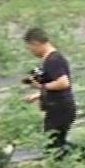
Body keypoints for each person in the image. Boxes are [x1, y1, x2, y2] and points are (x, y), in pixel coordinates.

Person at [22, 27, 74, 159]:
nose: (30, 51)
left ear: (35, 43)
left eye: (30, 47)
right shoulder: (50, 59)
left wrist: (41, 86)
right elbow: (54, 83)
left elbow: (63, 83)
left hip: (60, 108)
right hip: (59, 107)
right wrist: (38, 94)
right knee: (56, 143)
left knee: (53, 145)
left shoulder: (53, 60)